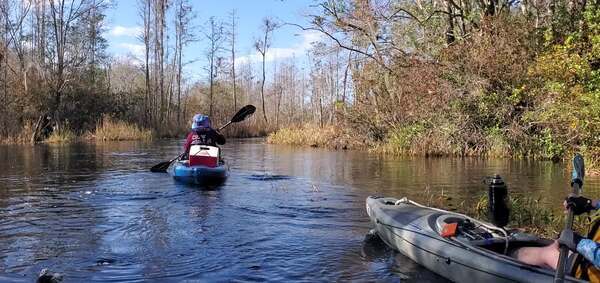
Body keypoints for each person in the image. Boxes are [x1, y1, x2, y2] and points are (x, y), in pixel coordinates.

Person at [514, 195, 600, 275]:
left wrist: (579, 243)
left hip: (590, 270)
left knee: (524, 254)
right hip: (590, 253)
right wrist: (590, 203)